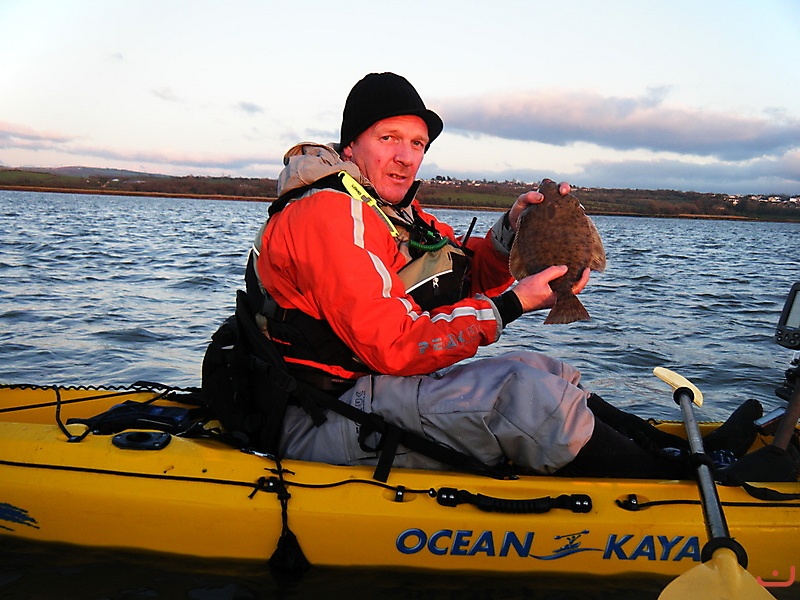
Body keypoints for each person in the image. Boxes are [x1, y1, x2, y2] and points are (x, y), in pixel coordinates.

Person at [239, 72, 760, 479]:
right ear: (351, 146)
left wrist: (513, 228)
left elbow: (463, 276)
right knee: (529, 399)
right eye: (389, 137)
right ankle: (677, 480)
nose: (405, 157)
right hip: (316, 411)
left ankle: (688, 448)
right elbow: (393, 346)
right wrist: (512, 304)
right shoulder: (327, 213)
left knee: (548, 371)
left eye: (417, 144)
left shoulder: (392, 213)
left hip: (367, 390)